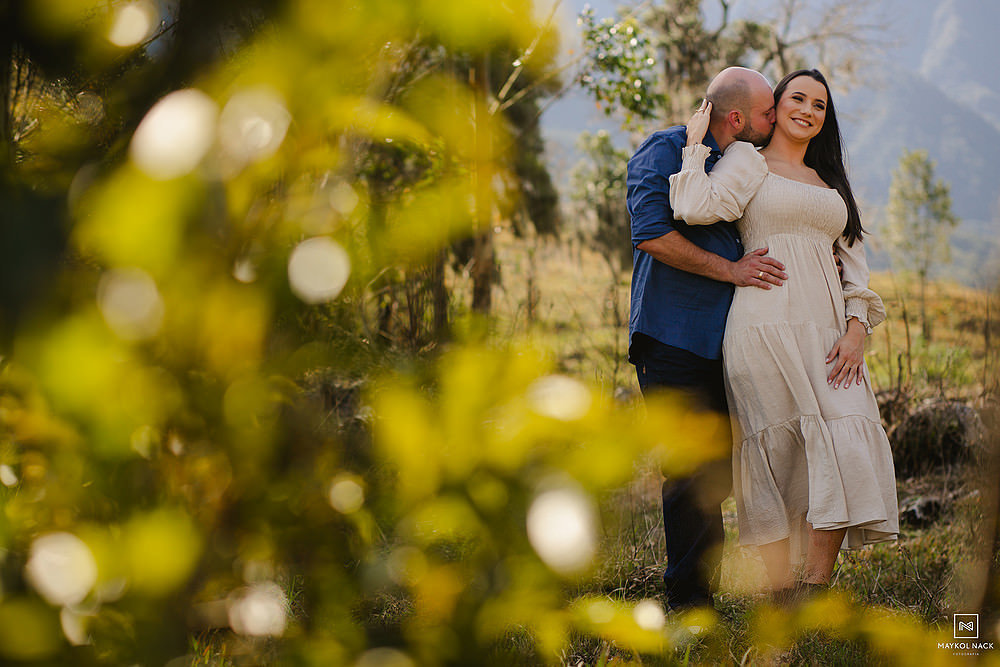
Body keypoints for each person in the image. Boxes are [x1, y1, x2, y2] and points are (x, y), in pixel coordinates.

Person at [669, 69, 899, 598]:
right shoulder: (748, 161)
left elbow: (855, 265)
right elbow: (694, 207)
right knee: (773, 453)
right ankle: (779, 597)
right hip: (762, 326)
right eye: (797, 98)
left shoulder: (831, 182)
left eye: (820, 104)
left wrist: (857, 328)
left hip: (827, 334)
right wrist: (694, 148)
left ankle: (815, 587)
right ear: (777, 105)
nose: (809, 111)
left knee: (848, 438)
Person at [625, 67, 788, 610]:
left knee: (717, 471)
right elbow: (651, 234)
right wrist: (732, 270)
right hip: (671, 338)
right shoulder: (666, 147)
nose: (775, 118)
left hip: (730, 344)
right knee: (689, 468)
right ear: (738, 117)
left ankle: (710, 588)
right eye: (769, 111)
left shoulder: (746, 164)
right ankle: (687, 601)